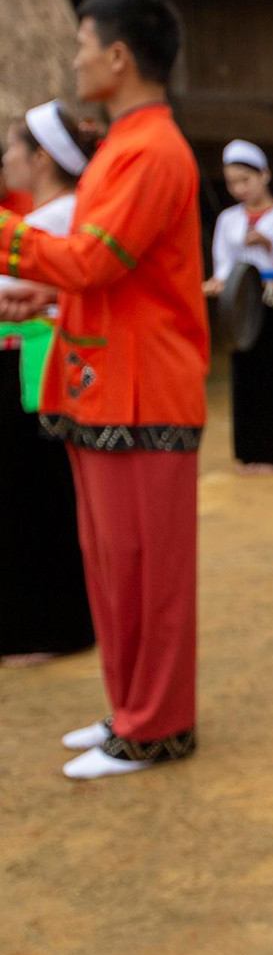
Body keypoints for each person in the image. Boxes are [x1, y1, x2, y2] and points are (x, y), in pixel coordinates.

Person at [0, 0, 208, 779]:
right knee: (113, 563)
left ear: (119, 57)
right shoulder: (128, 146)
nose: (77, 57)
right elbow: (107, 271)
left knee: (146, 570)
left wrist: (14, 246)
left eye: (84, 42)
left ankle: (156, 727)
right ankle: (128, 713)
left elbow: (95, 259)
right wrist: (50, 289)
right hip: (103, 381)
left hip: (145, 389)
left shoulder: (152, 151)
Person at [0, 101, 98, 666]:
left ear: (40, 157)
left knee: (37, 496)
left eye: (13, 149)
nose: (7, 160)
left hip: (37, 367)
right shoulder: (41, 219)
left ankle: (51, 625)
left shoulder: (56, 222)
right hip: (20, 366)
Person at [205, 140, 273, 474]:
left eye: (245, 180)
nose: (239, 189)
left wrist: (267, 243)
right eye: (233, 182)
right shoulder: (228, 219)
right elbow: (223, 262)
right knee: (245, 371)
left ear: (264, 175)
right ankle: (249, 451)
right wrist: (219, 282)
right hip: (243, 301)